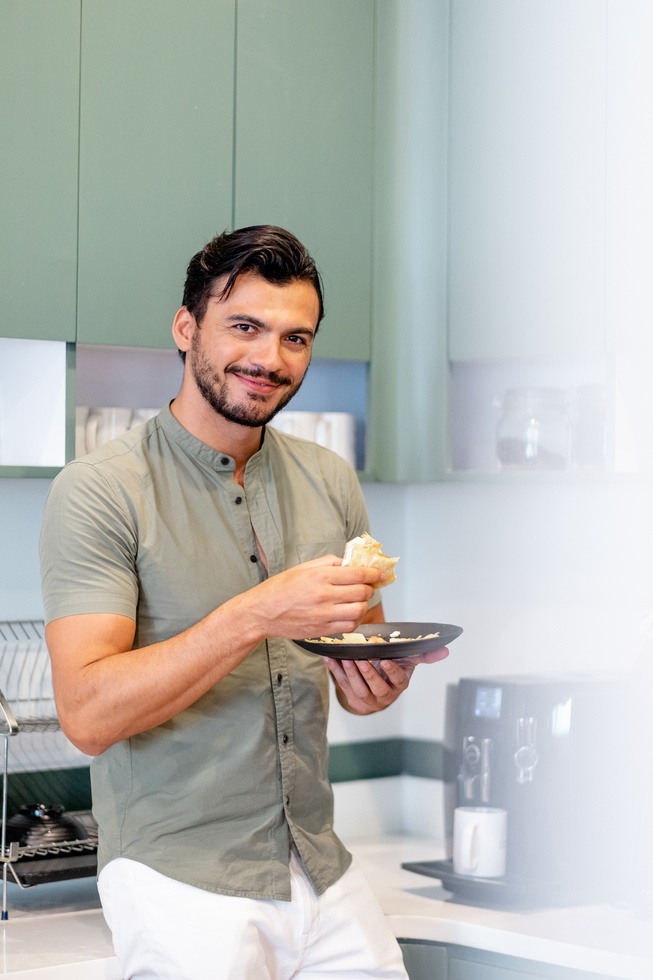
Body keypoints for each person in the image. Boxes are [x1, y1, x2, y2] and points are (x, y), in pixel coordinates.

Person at [39, 225, 449, 980]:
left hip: (322, 866)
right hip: (178, 880)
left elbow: (354, 675)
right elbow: (88, 716)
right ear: (186, 328)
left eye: (296, 337)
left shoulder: (330, 480)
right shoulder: (100, 490)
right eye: (245, 328)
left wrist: (379, 682)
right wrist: (258, 613)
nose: (269, 358)